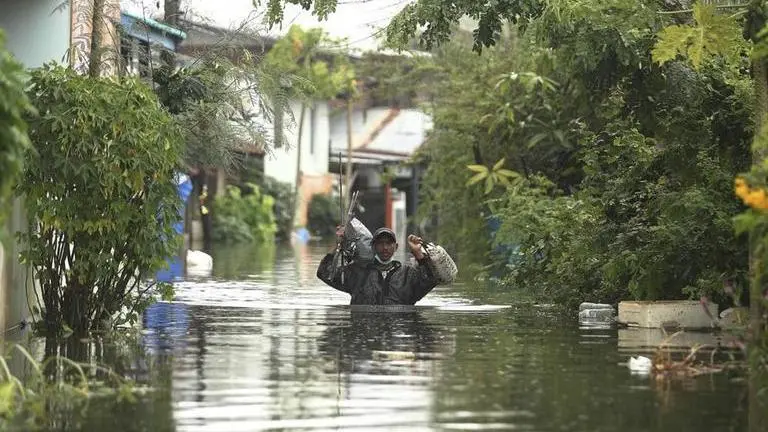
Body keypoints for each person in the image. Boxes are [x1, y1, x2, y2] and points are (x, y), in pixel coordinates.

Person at [316, 226, 439, 305]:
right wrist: (337, 246)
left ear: (396, 247)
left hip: (398, 336)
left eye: (389, 243)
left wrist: (418, 254)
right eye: (380, 243)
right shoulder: (357, 272)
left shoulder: (408, 274)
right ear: (373, 247)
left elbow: (430, 280)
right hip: (365, 339)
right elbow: (324, 273)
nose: (385, 248)